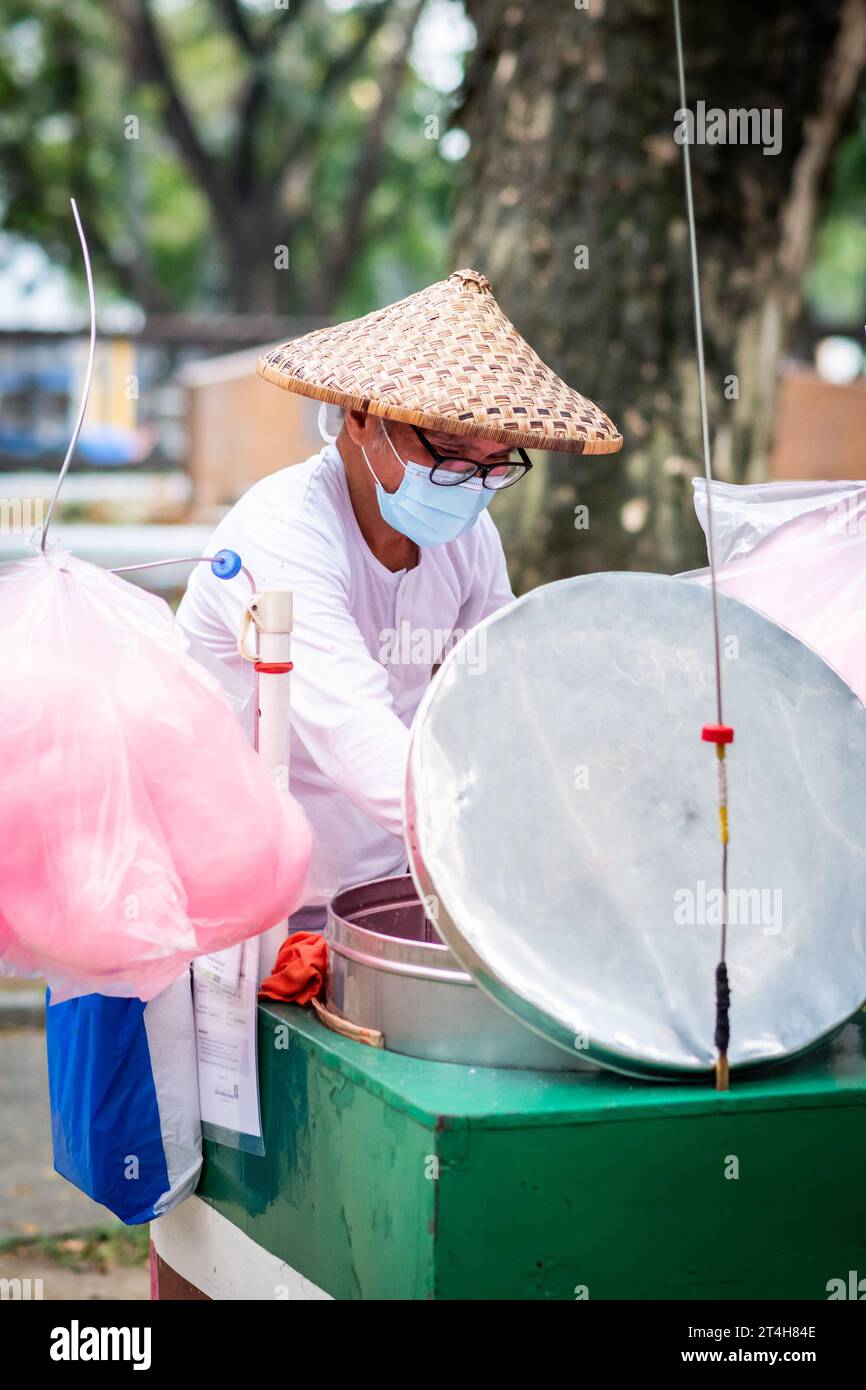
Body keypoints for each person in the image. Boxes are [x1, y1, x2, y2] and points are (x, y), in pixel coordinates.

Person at [177, 268, 621, 923]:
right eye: (448, 450)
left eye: (499, 464)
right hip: (248, 901)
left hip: (383, 885)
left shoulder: (469, 539)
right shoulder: (284, 530)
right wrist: (499, 836)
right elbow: (355, 732)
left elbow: (495, 695)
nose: (471, 483)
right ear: (360, 417)